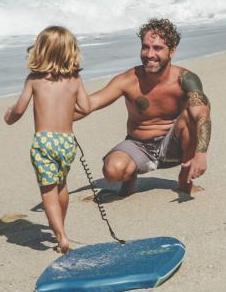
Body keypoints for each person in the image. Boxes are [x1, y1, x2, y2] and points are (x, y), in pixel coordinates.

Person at [77, 18, 211, 196]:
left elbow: (202, 115)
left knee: (190, 117)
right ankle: (129, 181)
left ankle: (185, 179)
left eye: (157, 48)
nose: (149, 54)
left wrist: (201, 154)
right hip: (139, 145)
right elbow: (90, 104)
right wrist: (53, 120)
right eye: (145, 47)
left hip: (173, 145)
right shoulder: (128, 80)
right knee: (112, 170)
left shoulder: (185, 79)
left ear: (172, 51)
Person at [4, 26, 92, 253]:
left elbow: (20, 109)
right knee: (61, 185)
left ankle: (61, 235)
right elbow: (86, 107)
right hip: (67, 141)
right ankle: (61, 227)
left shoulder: (34, 80)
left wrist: (9, 116)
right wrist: (67, 114)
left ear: (40, 51)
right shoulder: (75, 79)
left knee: (48, 190)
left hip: (44, 142)